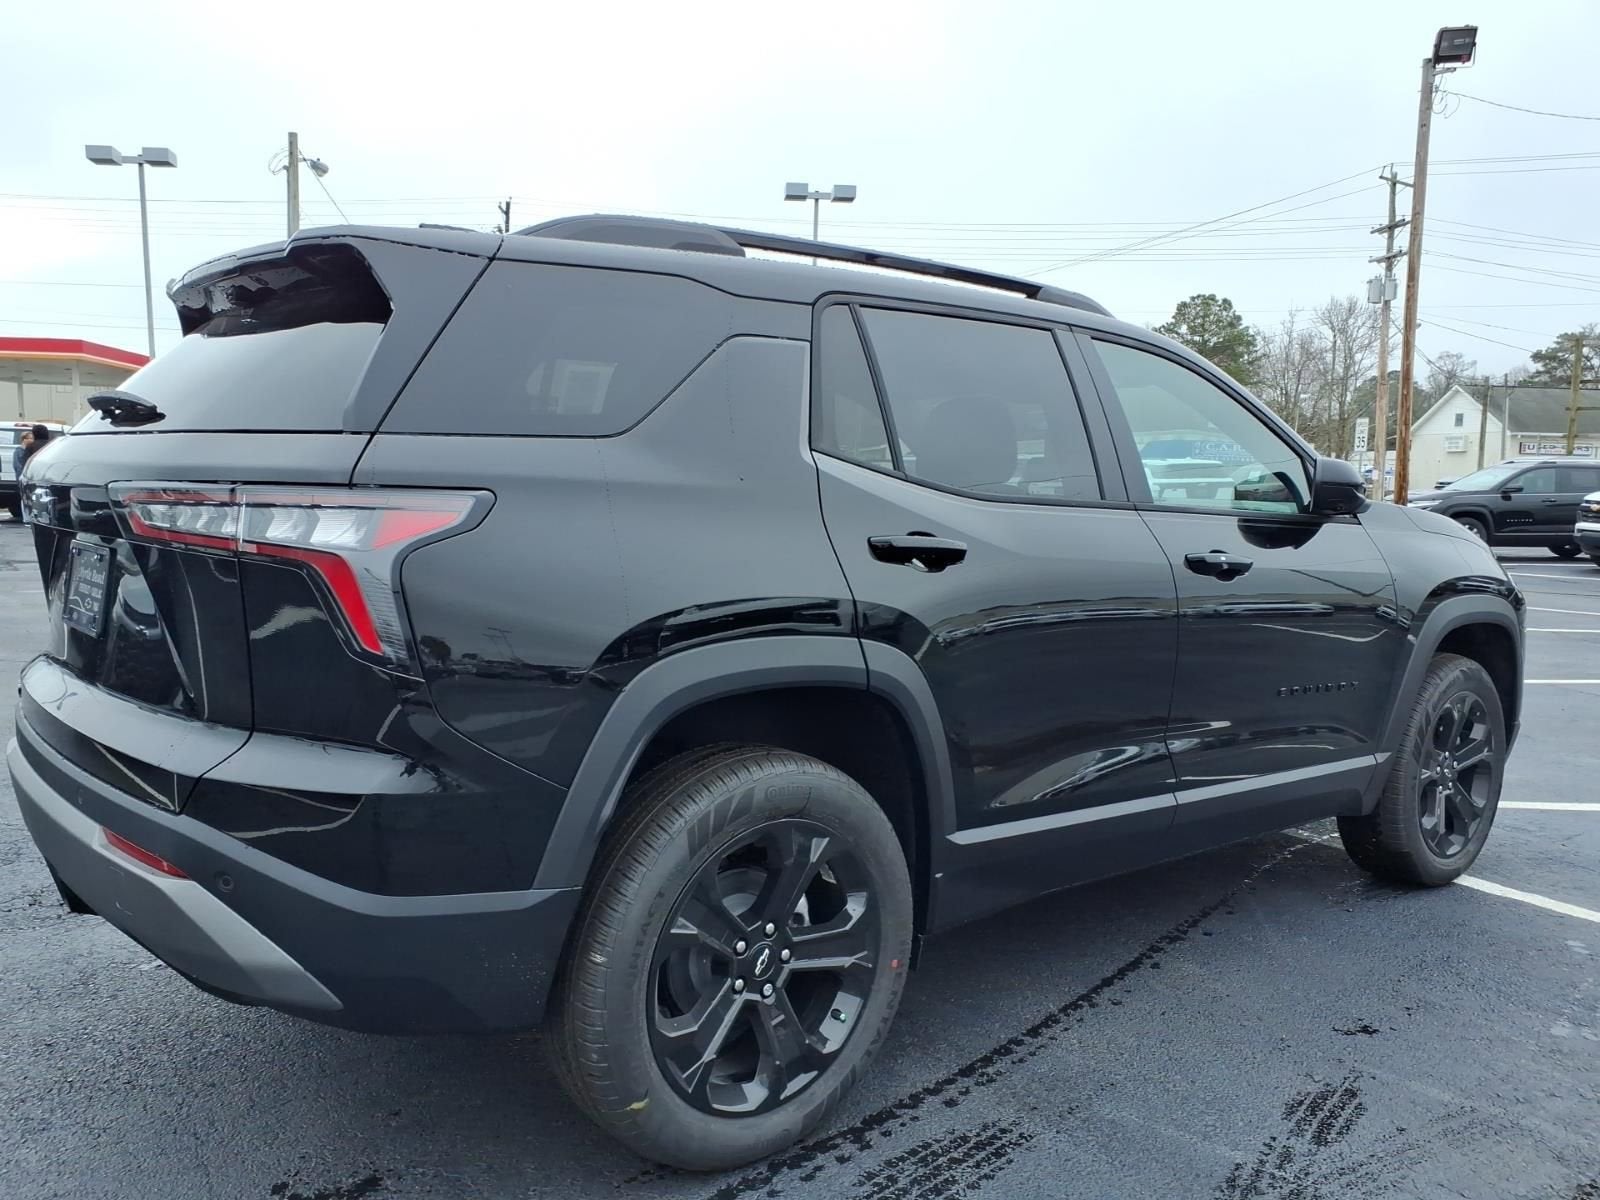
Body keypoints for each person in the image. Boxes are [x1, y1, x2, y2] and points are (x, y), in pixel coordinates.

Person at [17, 425, 51, 525]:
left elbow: (25, 462)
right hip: (49, 476)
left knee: (29, 498)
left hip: (34, 476)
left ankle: (28, 519)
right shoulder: (52, 445)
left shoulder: (31, 446)